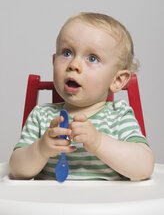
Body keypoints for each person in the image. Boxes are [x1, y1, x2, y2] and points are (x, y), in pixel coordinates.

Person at [9, 12, 154, 181]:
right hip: (51, 205)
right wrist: (41, 149)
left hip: (105, 205)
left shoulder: (118, 115)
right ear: (54, 61)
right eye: (67, 53)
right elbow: (17, 169)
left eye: (92, 58)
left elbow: (144, 167)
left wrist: (99, 142)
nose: (74, 65)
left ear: (117, 80)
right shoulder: (41, 116)